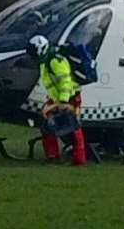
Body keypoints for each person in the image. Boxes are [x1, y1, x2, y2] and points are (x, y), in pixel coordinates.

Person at [26, 34, 87, 166]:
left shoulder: (55, 60)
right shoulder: (45, 60)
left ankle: (78, 159)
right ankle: (53, 156)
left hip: (69, 97)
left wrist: (63, 102)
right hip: (57, 98)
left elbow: (65, 81)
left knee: (73, 127)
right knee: (47, 125)